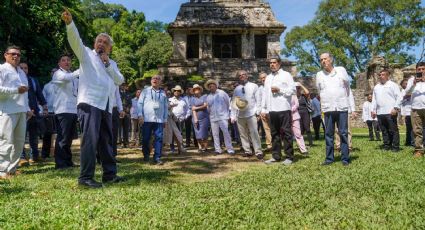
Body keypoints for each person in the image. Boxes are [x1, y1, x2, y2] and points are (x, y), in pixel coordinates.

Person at [62, 9, 125, 188]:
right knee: (90, 140)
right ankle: (85, 178)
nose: (102, 44)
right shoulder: (87, 55)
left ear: (110, 48)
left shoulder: (111, 63)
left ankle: (110, 175)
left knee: (106, 141)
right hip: (89, 103)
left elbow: (119, 80)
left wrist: (107, 64)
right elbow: (75, 42)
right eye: (99, 41)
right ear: (94, 43)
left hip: (106, 106)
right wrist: (70, 24)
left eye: (105, 42)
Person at [316, 52, 355, 166]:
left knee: (343, 133)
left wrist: (352, 108)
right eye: (321, 60)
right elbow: (320, 92)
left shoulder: (341, 70)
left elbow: (348, 90)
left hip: (341, 107)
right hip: (328, 109)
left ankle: (345, 158)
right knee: (328, 134)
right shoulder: (319, 75)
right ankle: (329, 159)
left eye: (325, 59)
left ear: (331, 59)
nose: (323, 61)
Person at [0, 46, 32, 179]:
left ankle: (11, 169)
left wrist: (28, 108)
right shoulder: (2, 69)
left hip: (21, 111)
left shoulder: (21, 72)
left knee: (19, 142)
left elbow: (25, 93)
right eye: (13, 54)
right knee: (6, 140)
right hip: (7, 111)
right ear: (5, 55)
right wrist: (15, 90)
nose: (16, 56)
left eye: (18, 55)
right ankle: (2, 171)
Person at [261, 56, 296, 165]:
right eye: (270, 63)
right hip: (272, 109)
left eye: (274, 62)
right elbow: (265, 94)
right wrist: (264, 109)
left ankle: (289, 157)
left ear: (279, 63)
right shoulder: (267, 78)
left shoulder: (286, 75)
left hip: (283, 108)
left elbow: (293, 90)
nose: (272, 64)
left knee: (286, 133)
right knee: (274, 133)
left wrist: (280, 90)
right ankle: (276, 156)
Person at [51, 54, 79, 169]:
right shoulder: (58, 73)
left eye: (68, 60)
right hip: (63, 110)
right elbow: (66, 78)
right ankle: (60, 164)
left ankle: (68, 161)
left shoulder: (73, 76)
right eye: (63, 60)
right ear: (59, 63)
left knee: (68, 138)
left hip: (73, 110)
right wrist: (81, 69)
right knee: (62, 138)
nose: (67, 62)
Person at [230, 70, 263, 159]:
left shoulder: (254, 86)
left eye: (244, 74)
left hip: (251, 113)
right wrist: (233, 115)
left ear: (247, 76)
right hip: (240, 115)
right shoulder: (237, 89)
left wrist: (258, 112)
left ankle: (258, 151)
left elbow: (258, 100)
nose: (242, 76)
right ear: (238, 77)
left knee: (254, 133)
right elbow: (234, 102)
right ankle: (247, 151)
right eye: (240, 75)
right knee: (243, 134)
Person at [20, 62, 48, 163]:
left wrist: (45, 108)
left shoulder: (33, 80)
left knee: (34, 135)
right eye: (21, 68)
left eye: (25, 68)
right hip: (22, 111)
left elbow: (40, 95)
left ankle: (34, 156)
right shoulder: (16, 80)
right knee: (21, 136)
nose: (24, 70)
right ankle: (22, 157)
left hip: (34, 111)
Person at [138, 75, 168, 165]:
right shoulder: (145, 91)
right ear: (151, 81)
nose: (155, 80)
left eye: (157, 78)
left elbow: (166, 107)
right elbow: (140, 103)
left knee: (159, 138)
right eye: (153, 78)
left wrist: (165, 119)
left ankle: (157, 157)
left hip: (159, 120)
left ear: (160, 82)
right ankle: (146, 155)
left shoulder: (163, 93)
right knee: (146, 138)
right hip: (147, 118)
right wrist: (140, 115)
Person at [371, 69, 401, 152]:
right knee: (384, 130)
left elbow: (399, 97)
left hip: (390, 111)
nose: (381, 76)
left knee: (393, 130)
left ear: (388, 76)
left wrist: (395, 108)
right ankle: (386, 145)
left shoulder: (393, 85)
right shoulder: (376, 87)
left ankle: (395, 147)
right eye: (380, 75)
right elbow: (374, 100)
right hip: (380, 112)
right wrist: (373, 110)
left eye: (383, 74)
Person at [205, 79, 235, 155]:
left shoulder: (222, 93)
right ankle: (218, 149)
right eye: (209, 86)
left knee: (226, 133)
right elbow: (208, 108)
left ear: (216, 85)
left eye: (212, 85)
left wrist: (227, 114)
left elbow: (228, 103)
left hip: (223, 116)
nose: (211, 87)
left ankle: (230, 149)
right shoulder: (208, 97)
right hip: (213, 117)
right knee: (215, 134)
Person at [405, 62, 425, 157]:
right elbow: (407, 94)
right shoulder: (411, 80)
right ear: (416, 70)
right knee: (417, 130)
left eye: (423, 69)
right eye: (419, 69)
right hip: (415, 108)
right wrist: (414, 84)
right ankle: (419, 150)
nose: (421, 71)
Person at [40, 68, 58, 159]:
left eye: (56, 72)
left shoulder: (63, 84)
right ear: (51, 74)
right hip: (49, 112)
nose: (54, 73)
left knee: (61, 134)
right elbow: (42, 99)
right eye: (53, 72)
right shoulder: (47, 86)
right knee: (47, 134)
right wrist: (43, 110)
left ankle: (58, 153)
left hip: (60, 111)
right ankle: (45, 154)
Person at [169, 85, 189, 153]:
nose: (176, 92)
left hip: (181, 119)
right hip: (172, 119)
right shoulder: (170, 100)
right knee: (172, 133)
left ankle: (180, 147)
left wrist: (185, 117)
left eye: (178, 91)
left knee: (180, 133)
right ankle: (172, 148)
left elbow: (187, 109)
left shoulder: (184, 100)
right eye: (175, 91)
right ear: (173, 92)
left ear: (180, 92)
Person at [190, 84, 210, 153]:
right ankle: (200, 147)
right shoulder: (192, 99)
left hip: (205, 117)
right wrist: (195, 119)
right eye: (195, 89)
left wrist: (196, 107)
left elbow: (205, 106)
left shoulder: (204, 97)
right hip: (196, 117)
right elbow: (193, 109)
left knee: (205, 133)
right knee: (197, 133)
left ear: (200, 90)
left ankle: (205, 147)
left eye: (197, 89)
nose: (196, 90)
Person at [257, 72, 272, 150]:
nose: (263, 79)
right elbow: (259, 101)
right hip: (263, 111)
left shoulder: (271, 86)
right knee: (266, 129)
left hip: (272, 111)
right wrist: (260, 112)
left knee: (273, 128)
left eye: (264, 77)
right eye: (261, 78)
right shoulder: (259, 89)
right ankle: (269, 145)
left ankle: (276, 144)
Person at [296, 82, 313, 146]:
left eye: (298, 88)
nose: (297, 89)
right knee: (301, 130)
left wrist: (301, 85)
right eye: (296, 88)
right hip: (297, 114)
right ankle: (301, 144)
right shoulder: (293, 96)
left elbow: (307, 92)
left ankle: (310, 143)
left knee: (307, 128)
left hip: (305, 113)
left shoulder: (303, 96)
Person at [400, 79, 414, 146]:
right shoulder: (402, 91)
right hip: (407, 112)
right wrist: (406, 96)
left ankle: (411, 142)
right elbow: (402, 99)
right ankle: (409, 142)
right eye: (405, 83)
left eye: (407, 83)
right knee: (409, 128)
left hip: (413, 111)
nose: (406, 84)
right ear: (402, 85)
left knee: (414, 128)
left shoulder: (413, 90)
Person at [118, 83, 131, 148]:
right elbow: (118, 102)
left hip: (126, 113)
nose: (124, 87)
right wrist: (122, 110)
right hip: (119, 112)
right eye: (122, 85)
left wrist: (128, 108)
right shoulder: (117, 93)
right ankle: (119, 142)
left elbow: (130, 103)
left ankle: (126, 142)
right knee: (119, 128)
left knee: (126, 128)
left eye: (125, 85)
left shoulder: (128, 94)